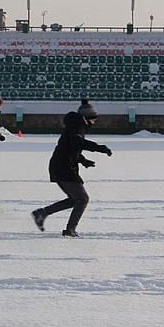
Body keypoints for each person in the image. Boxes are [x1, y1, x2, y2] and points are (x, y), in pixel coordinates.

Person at [31, 99, 112, 237]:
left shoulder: (75, 124)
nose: (94, 122)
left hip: (60, 165)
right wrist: (99, 148)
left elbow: (70, 147)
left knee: (75, 199)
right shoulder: (77, 126)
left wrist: (82, 160)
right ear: (87, 118)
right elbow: (76, 142)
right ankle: (70, 230)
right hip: (63, 167)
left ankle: (42, 213)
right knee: (82, 199)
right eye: (93, 119)